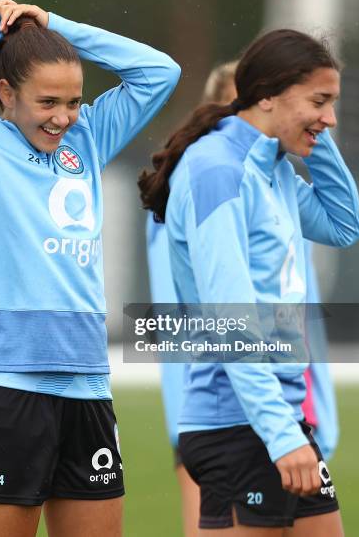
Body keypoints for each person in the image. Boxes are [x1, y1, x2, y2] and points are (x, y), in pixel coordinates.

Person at [0, 0, 180, 537]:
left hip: (88, 390)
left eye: (73, 101)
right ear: (4, 93)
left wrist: (54, 26)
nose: (64, 117)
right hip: (7, 390)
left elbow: (160, 71)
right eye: (47, 101)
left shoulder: (85, 139)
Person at [139, 28, 359, 535]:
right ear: (266, 95)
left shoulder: (272, 165)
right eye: (320, 101)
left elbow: (344, 225)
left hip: (277, 415)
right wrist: (282, 436)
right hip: (234, 423)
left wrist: (312, 135)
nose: (330, 118)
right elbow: (229, 322)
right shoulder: (218, 169)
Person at [146, 61, 237, 537]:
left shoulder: (273, 188)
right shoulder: (191, 190)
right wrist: (189, 424)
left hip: (278, 407)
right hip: (213, 410)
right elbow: (178, 314)